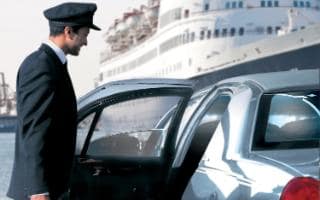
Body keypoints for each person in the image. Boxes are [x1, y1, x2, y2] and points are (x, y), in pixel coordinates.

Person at [7, 2, 101, 200]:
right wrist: (38, 190)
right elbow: (34, 130)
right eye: (85, 34)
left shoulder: (52, 64)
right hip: (40, 193)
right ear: (69, 32)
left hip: (53, 187)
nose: (85, 42)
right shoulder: (41, 66)